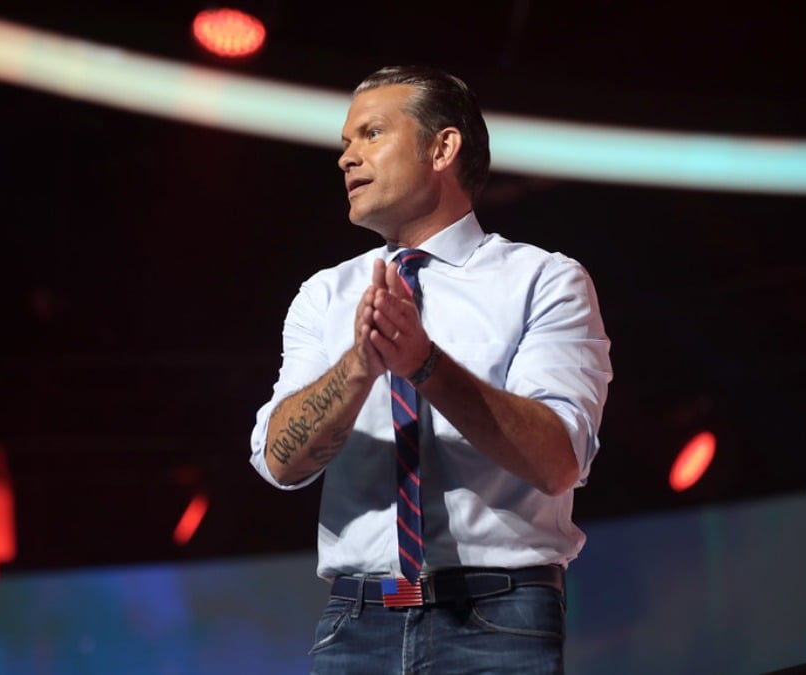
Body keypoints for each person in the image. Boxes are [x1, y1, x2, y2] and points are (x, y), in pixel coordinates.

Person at [249, 65, 612, 674]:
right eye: (345, 142)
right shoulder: (325, 295)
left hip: (498, 618)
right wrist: (359, 366)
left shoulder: (544, 280)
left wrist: (424, 364)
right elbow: (278, 462)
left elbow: (558, 462)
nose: (346, 158)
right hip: (355, 622)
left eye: (371, 134)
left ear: (442, 148)